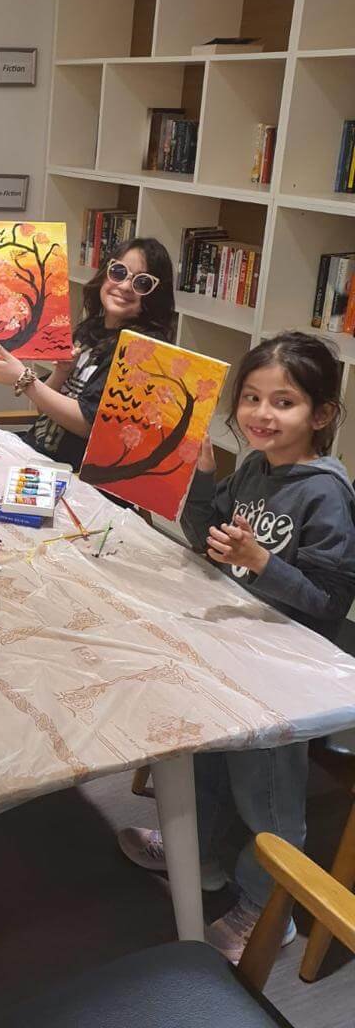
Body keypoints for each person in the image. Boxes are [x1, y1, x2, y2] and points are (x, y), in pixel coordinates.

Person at [119, 331, 355, 961]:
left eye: (283, 402)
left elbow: (330, 601)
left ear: (321, 415)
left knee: (267, 797)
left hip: (287, 674)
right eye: (251, 397)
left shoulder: (326, 492)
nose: (261, 413)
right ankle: (198, 858)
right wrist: (202, 479)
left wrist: (262, 562)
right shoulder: (254, 467)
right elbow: (208, 539)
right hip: (238, 645)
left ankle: (267, 907)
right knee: (206, 757)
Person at [0, 238, 176, 471]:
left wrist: (25, 380)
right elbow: (45, 409)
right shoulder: (91, 328)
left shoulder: (144, 350)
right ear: (105, 273)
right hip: (37, 451)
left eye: (142, 282)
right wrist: (61, 373)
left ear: (156, 295)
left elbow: (90, 426)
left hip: (71, 474)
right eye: (119, 272)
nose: (126, 286)